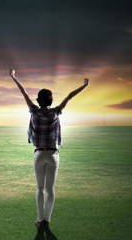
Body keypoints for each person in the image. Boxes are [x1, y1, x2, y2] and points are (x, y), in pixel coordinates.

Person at [9, 68, 89, 231]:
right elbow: (69, 97)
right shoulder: (55, 112)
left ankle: (39, 219)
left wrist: (13, 77)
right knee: (50, 189)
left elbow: (23, 92)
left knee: (39, 188)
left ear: (38, 100)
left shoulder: (34, 111)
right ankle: (47, 220)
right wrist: (84, 86)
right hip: (53, 154)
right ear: (51, 100)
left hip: (39, 153)